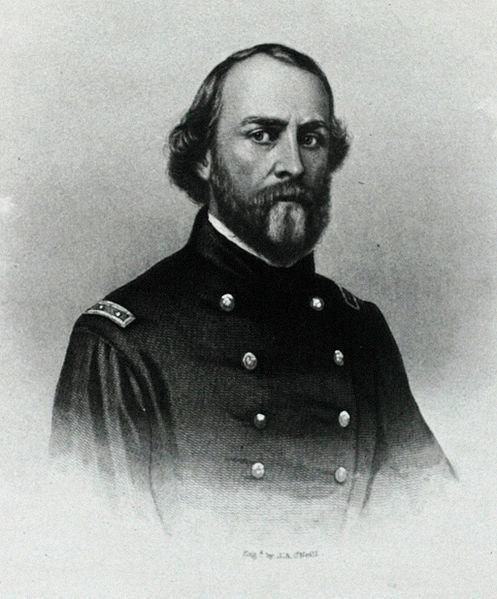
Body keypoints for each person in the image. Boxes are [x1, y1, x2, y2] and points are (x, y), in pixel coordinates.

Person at [50, 43, 454, 534]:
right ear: (205, 158)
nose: (293, 165)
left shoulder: (360, 329)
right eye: (263, 135)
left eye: (312, 139)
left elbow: (440, 526)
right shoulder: (122, 343)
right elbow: (99, 553)